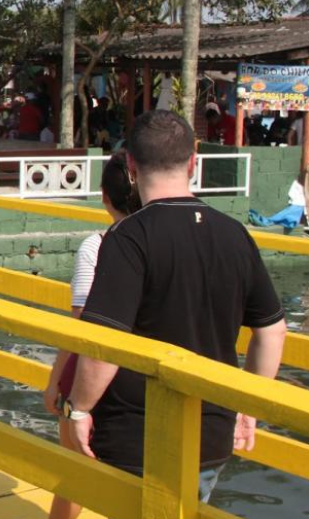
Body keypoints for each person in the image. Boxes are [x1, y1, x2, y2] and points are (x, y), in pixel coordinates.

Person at [64, 110, 287, 505]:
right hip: (212, 431)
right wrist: (247, 407)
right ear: (193, 162)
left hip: (136, 433)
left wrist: (79, 409)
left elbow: (105, 343)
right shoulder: (235, 234)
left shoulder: (128, 238)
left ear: (131, 165)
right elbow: (271, 330)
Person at [43, 153, 138, 519]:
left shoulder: (97, 246)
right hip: (140, 380)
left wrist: (55, 381)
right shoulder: (162, 244)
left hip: (92, 376)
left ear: (104, 196)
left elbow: (81, 324)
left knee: (75, 476)